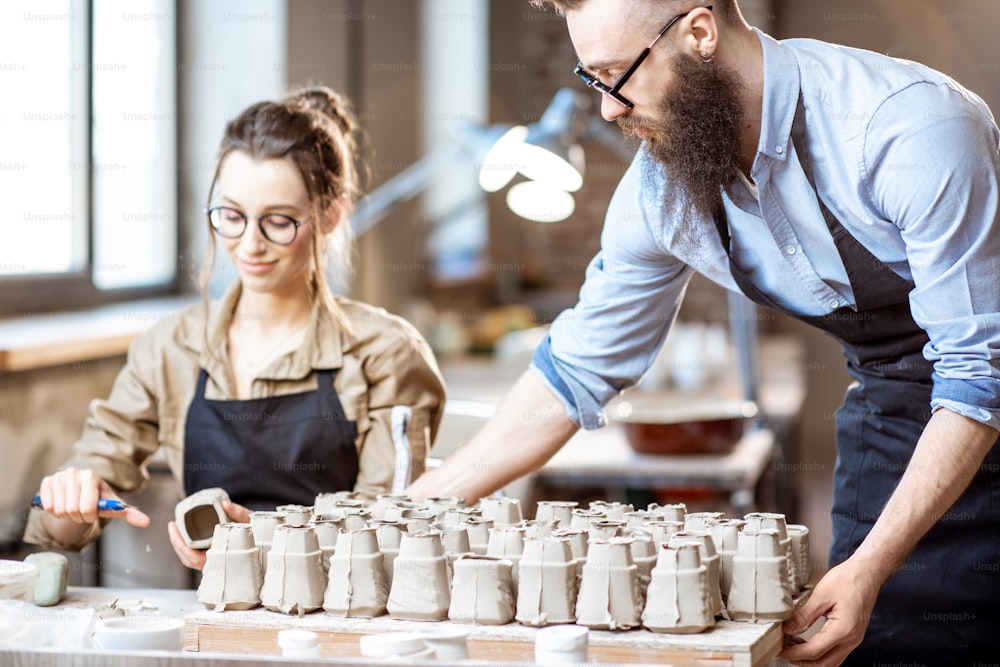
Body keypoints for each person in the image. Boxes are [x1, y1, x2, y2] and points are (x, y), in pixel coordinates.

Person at [406, 1, 1000, 664]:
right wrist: (419, 503)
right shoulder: (660, 193)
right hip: (894, 415)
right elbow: (574, 370)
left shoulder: (907, 127)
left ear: (698, 32)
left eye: (616, 75)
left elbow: (979, 373)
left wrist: (874, 562)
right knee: (887, 640)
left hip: (980, 397)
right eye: (593, 80)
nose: (607, 109)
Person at [26, 86, 446, 571]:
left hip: (345, 625)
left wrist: (266, 542)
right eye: (232, 216)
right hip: (218, 616)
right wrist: (70, 501)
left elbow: (389, 533)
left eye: (279, 222)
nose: (250, 244)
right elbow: (61, 532)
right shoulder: (170, 349)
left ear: (331, 214)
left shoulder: (386, 354)